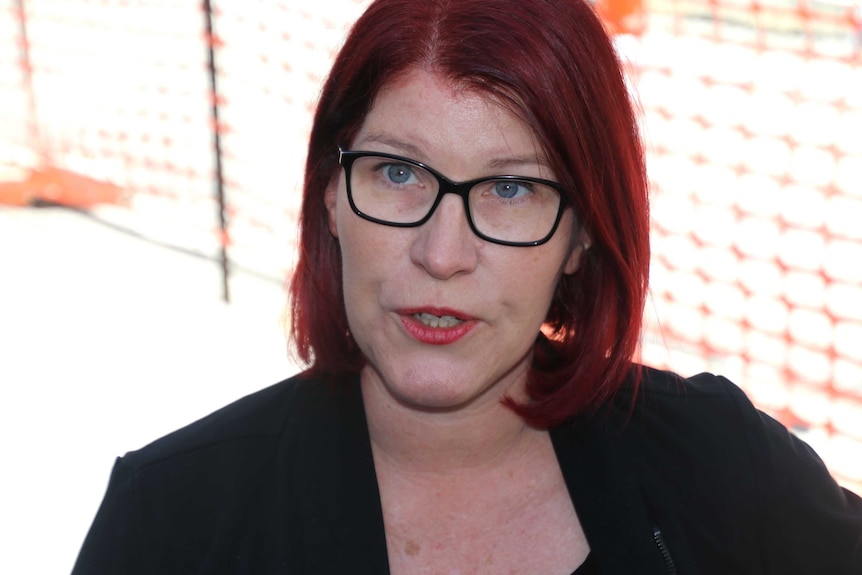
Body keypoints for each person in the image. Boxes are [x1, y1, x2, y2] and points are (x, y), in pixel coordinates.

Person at [72, 0, 862, 573]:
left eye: (511, 188)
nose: (442, 254)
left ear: (583, 233)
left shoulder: (721, 464)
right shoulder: (172, 517)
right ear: (331, 197)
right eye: (397, 172)